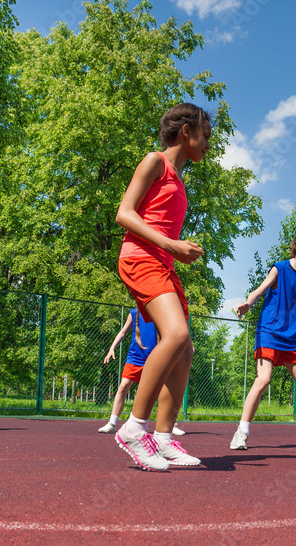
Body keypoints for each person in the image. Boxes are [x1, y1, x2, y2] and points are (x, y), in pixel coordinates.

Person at [111, 103, 211, 471]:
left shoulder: (179, 180)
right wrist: (171, 245)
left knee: (184, 348)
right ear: (187, 132)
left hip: (163, 264)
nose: (208, 145)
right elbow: (124, 212)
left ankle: (164, 439)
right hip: (140, 257)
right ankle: (135, 429)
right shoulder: (155, 161)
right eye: (206, 135)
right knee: (176, 333)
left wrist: (175, 250)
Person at [230, 226, 296, 452]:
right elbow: (260, 290)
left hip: (289, 338)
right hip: (269, 332)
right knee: (263, 380)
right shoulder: (279, 268)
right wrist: (248, 304)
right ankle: (241, 433)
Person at [98, 307, 185, 437]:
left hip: (156, 357)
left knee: (164, 392)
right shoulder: (134, 313)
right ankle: (112, 424)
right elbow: (123, 332)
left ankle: (170, 426)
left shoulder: (160, 310)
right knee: (123, 387)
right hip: (135, 357)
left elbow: (172, 333)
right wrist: (112, 348)